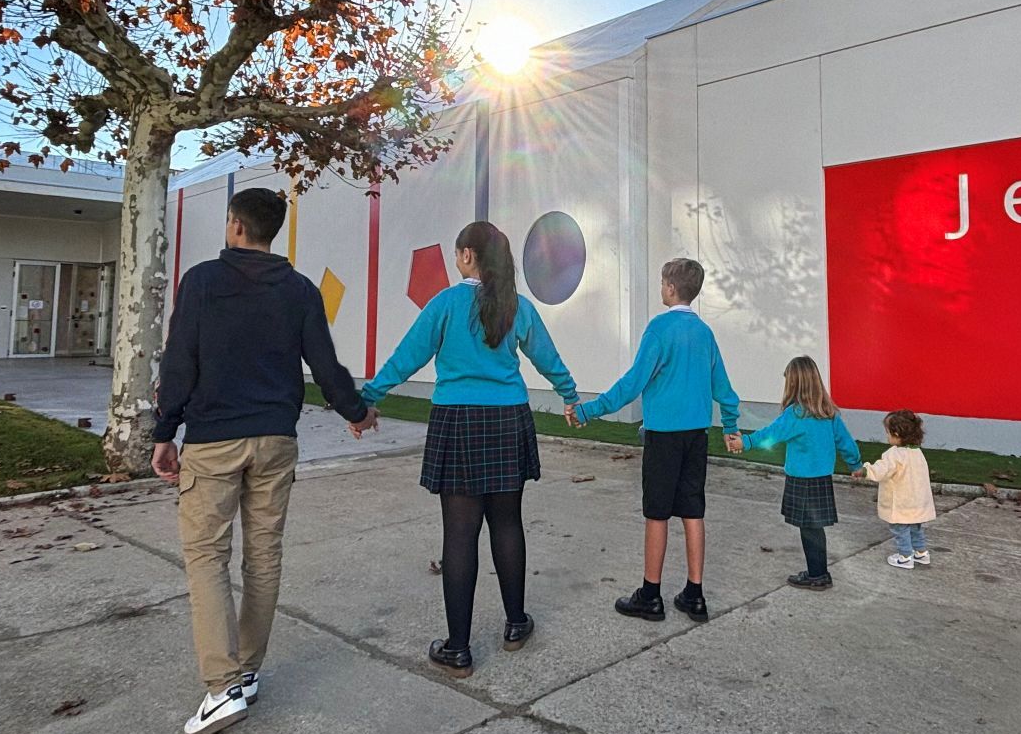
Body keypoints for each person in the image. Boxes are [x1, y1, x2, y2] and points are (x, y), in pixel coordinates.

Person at [151, 187, 379, 734]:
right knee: (263, 556)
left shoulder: (202, 281)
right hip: (276, 440)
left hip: (213, 440)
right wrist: (356, 412)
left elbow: (180, 360)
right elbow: (324, 364)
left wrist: (165, 432)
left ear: (235, 225)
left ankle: (222, 687)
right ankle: (247, 672)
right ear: (272, 231)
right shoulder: (299, 289)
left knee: (207, 557)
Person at [361, 221, 580, 677]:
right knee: (508, 522)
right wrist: (569, 394)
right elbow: (547, 356)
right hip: (508, 419)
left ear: (466, 255)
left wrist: (369, 398)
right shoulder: (517, 306)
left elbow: (408, 355)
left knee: (459, 535)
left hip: (458, 420)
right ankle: (516, 624)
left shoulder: (445, 303)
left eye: (458, 252)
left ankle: (457, 650)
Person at [570, 258, 741, 623]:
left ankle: (650, 595)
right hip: (697, 436)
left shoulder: (659, 330)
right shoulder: (705, 333)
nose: (661, 288)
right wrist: (730, 424)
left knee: (657, 513)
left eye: (663, 283)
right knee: (693, 511)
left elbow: (632, 383)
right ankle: (695, 594)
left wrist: (589, 411)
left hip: (664, 437)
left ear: (671, 288)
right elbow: (723, 386)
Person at [728, 356, 861, 590]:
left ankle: (818, 575)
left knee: (809, 529)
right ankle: (818, 572)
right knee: (814, 528)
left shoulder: (796, 414)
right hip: (821, 479)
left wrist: (745, 442)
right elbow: (845, 441)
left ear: (794, 383)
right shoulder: (828, 413)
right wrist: (855, 464)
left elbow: (771, 434)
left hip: (802, 480)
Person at [854, 409, 936, 569]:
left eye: (888, 432)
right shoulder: (917, 453)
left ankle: (905, 557)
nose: (887, 436)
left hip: (901, 502)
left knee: (900, 529)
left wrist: (865, 471)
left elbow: (881, 470)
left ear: (897, 434)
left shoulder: (894, 455)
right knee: (916, 528)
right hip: (918, 501)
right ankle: (921, 553)